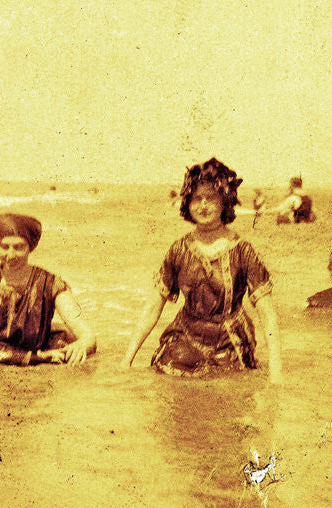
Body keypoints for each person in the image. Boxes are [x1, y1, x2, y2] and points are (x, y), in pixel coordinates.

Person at [121, 158, 282, 383]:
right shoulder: (179, 249)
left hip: (230, 341)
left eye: (211, 198)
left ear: (225, 201)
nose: (203, 205)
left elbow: (267, 315)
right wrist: (125, 362)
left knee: (228, 389)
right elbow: (153, 307)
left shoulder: (243, 251)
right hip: (186, 335)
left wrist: (276, 375)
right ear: (187, 203)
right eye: (197, 198)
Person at [0, 214, 95, 365]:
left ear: (30, 248)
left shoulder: (51, 284)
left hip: (39, 353)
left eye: (19, 247)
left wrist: (81, 346)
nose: (11, 255)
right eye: (4, 247)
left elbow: (87, 336)